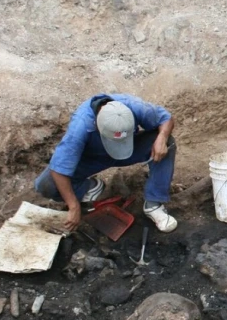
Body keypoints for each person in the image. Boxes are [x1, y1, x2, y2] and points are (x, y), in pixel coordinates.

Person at [35, 94, 178, 233]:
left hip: (130, 148)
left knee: (168, 144)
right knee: (45, 185)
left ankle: (153, 203)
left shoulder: (134, 107)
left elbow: (166, 119)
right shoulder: (80, 127)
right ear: (97, 127)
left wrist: (162, 137)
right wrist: (73, 206)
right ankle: (88, 187)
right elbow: (58, 168)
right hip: (92, 158)